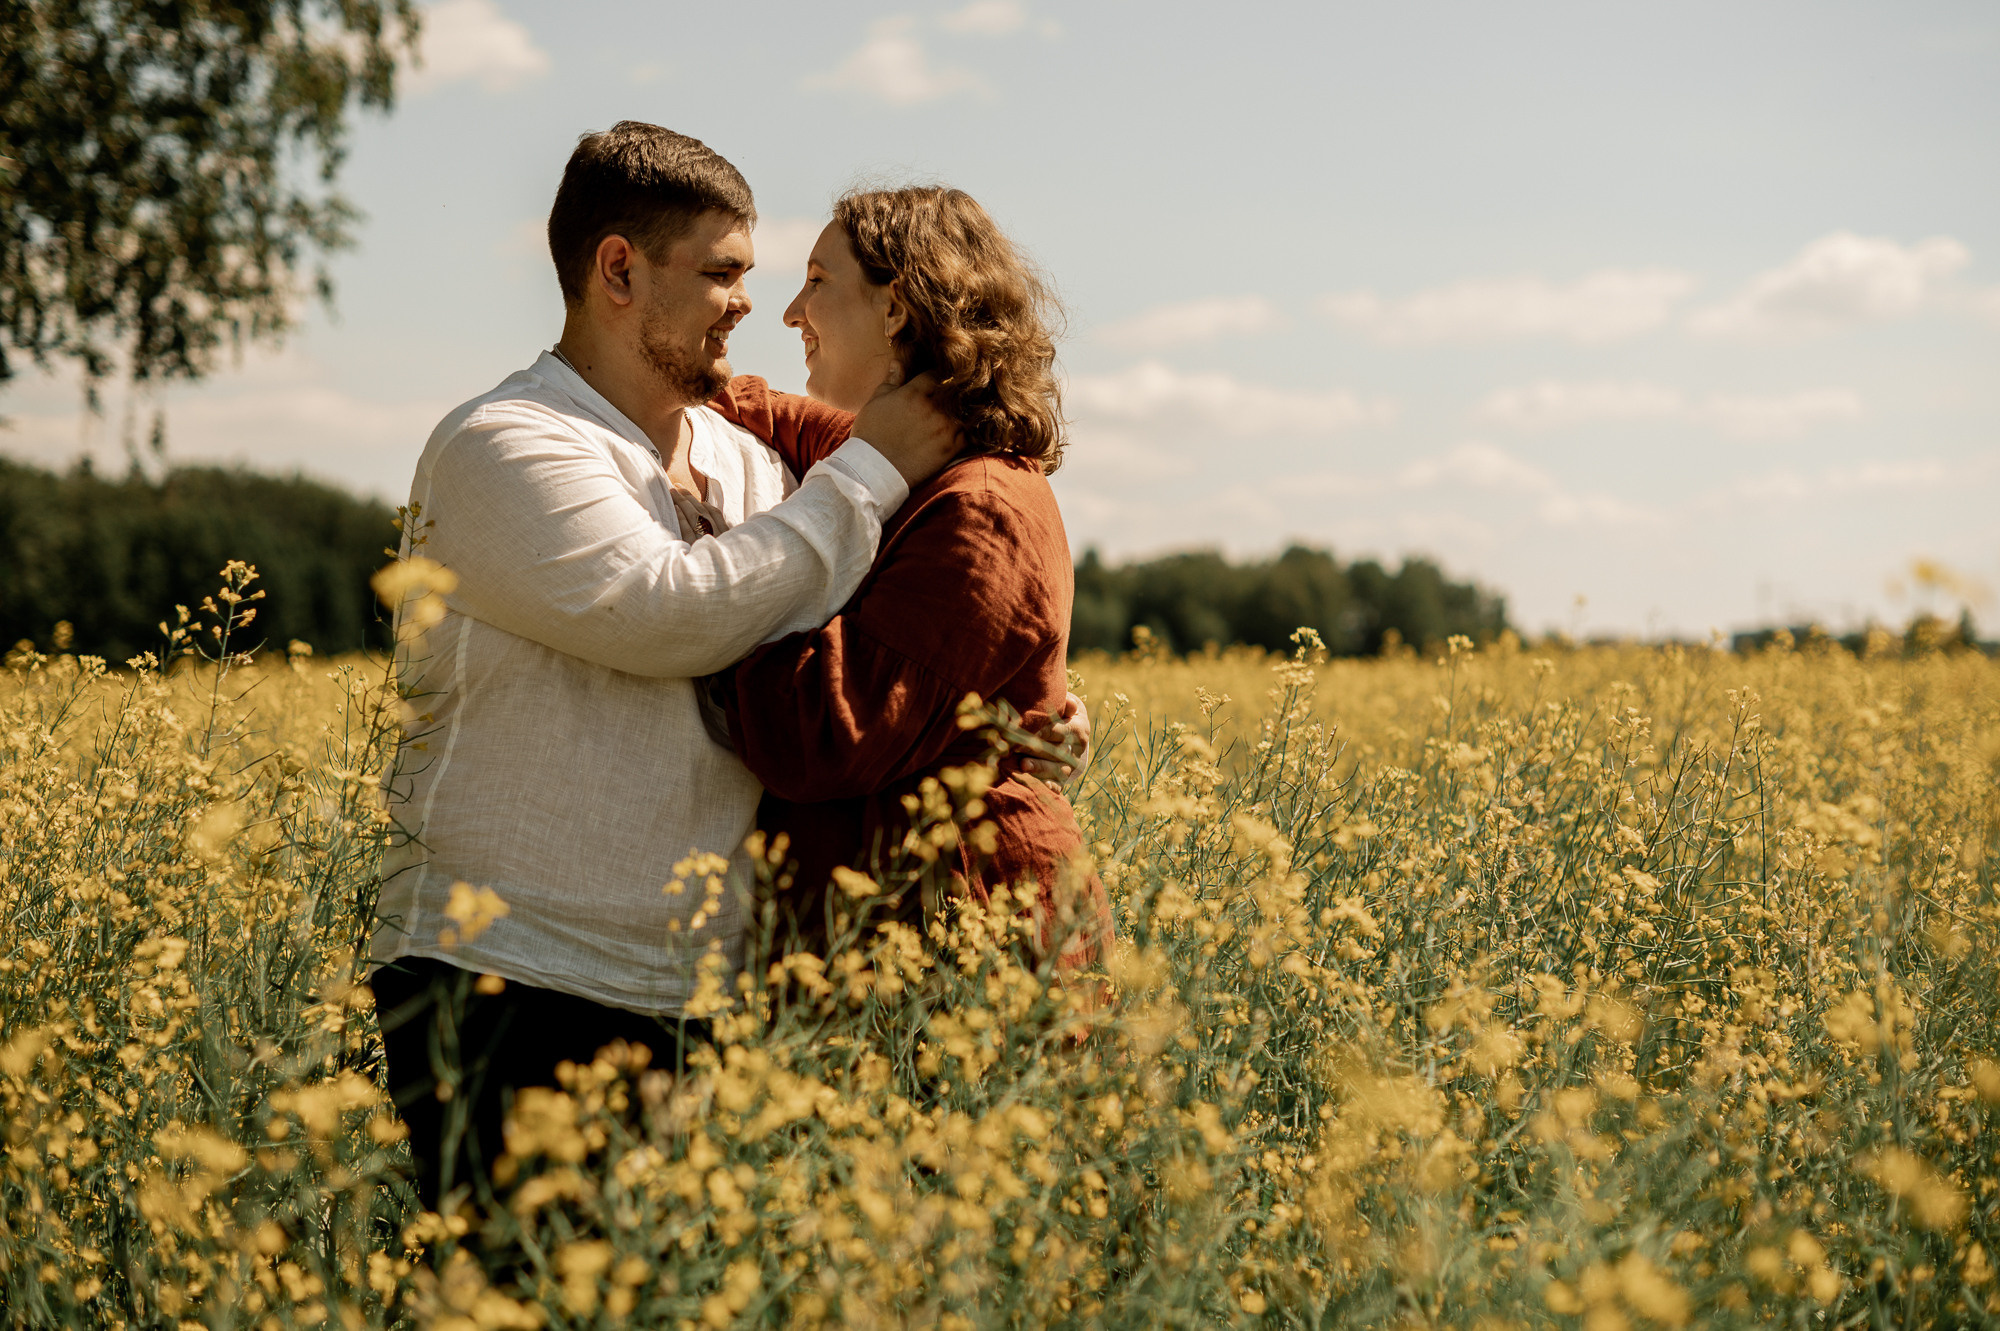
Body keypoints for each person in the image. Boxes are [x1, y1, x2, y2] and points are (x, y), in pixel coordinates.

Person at [366, 123, 966, 1212]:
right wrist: (873, 465)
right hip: (510, 975)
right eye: (722, 272)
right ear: (618, 271)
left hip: (700, 995)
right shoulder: (507, 443)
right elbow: (667, 612)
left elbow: (856, 653)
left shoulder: (753, 464)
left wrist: (988, 718)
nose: (750, 303)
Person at [702, 186, 1116, 976]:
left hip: (966, 948)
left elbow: (819, 734)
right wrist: (661, 373)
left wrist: (688, 606)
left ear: (894, 309)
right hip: (901, 941)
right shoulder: (912, 451)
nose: (790, 312)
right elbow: (772, 410)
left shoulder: (983, 508)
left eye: (818, 281)